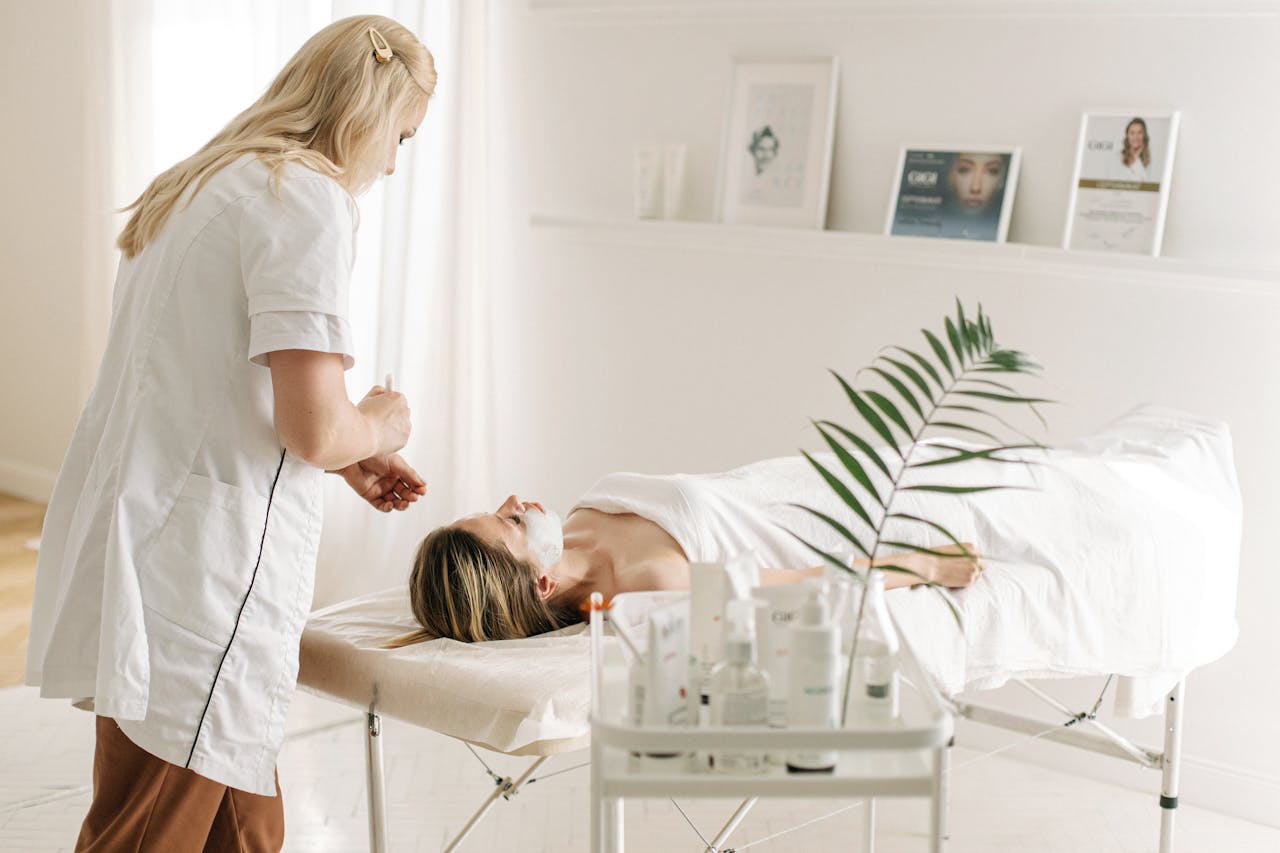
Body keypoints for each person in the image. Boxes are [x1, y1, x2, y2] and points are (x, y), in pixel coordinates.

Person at [24, 16, 435, 851]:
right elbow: (315, 425)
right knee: (150, 832)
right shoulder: (308, 199)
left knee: (245, 829)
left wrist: (354, 454)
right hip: (203, 577)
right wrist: (381, 421)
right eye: (401, 136)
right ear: (366, 112)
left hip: (153, 540)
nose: (393, 162)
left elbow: (219, 388)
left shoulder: (207, 183)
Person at [397, 455, 985, 645]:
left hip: (811, 475)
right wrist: (925, 564)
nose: (515, 500)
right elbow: (807, 585)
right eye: (510, 522)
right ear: (542, 584)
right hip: (857, 523)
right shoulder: (651, 589)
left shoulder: (574, 523)